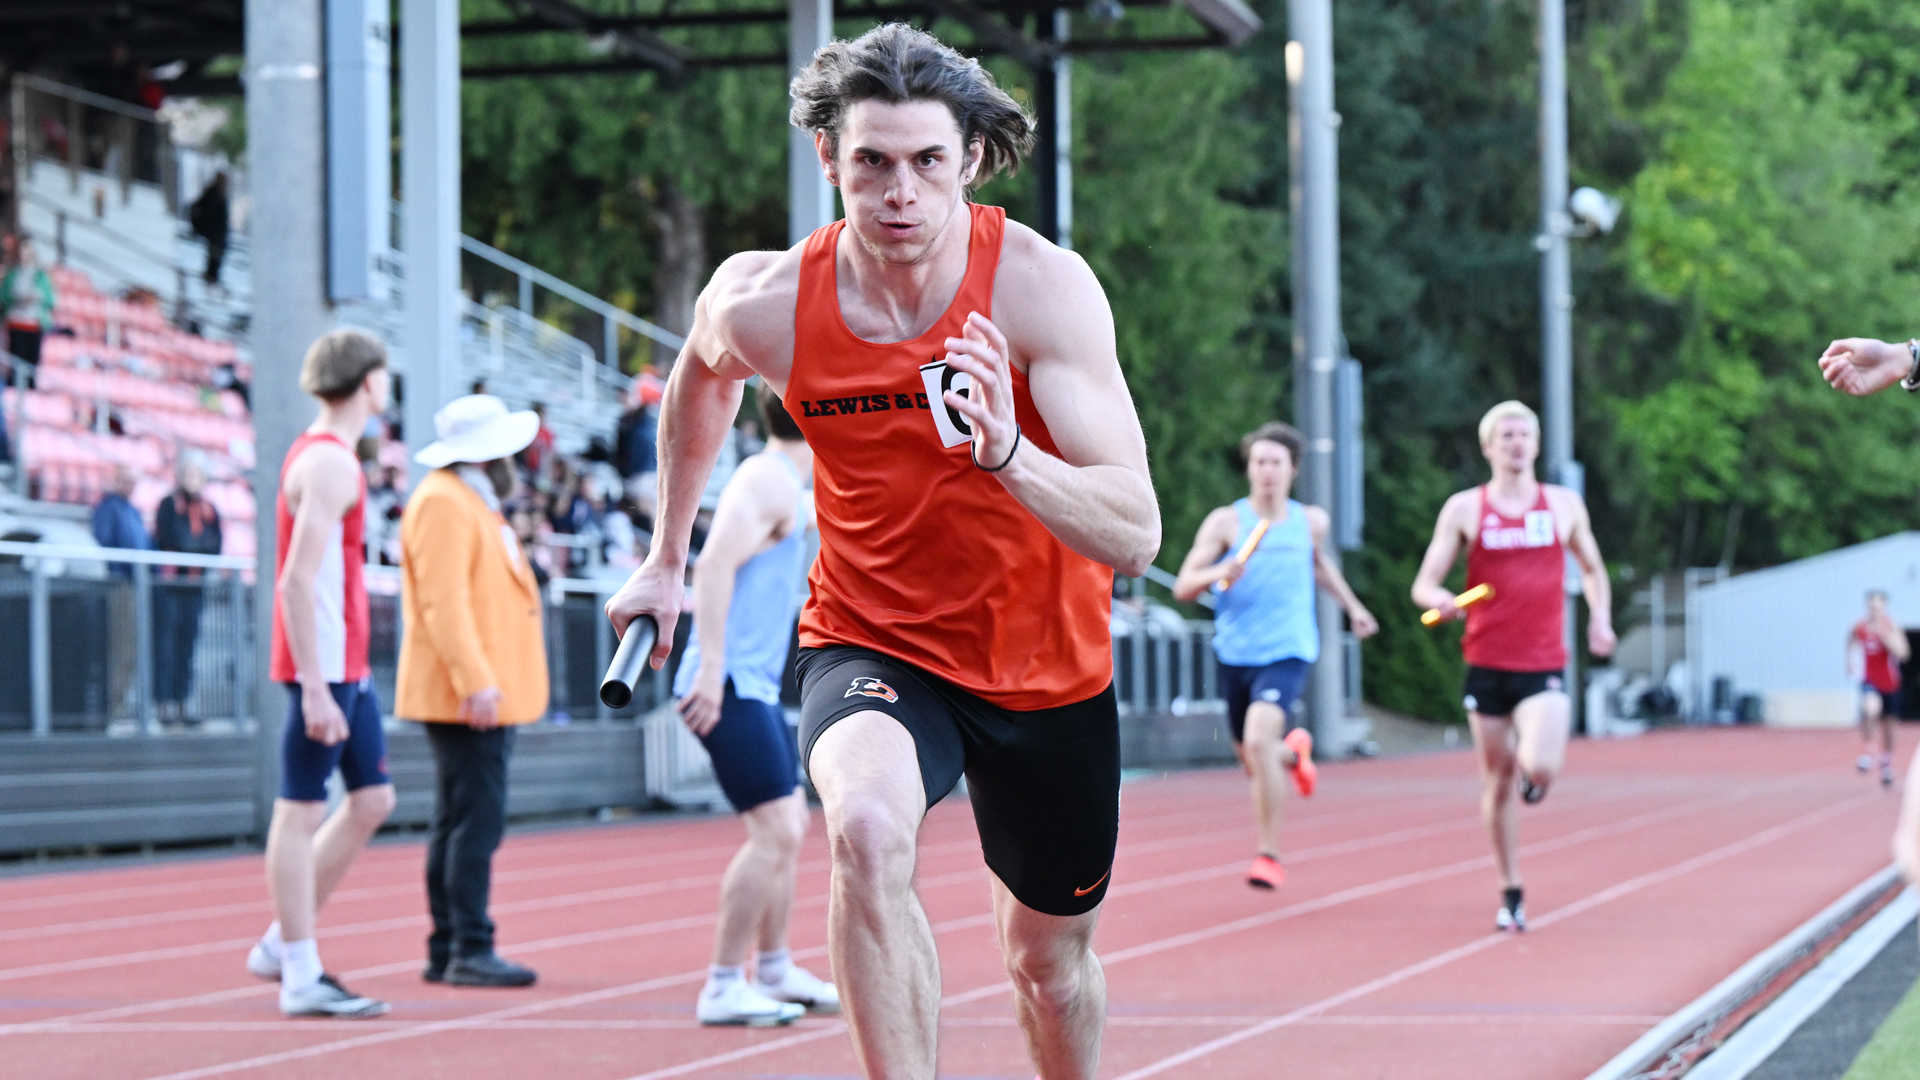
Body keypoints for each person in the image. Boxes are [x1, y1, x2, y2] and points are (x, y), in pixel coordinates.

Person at [605, 25, 1159, 1078]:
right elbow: (700, 381)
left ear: (970, 164)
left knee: (1047, 968)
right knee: (862, 828)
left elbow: (1135, 530)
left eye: (926, 163)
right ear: (830, 160)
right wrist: (667, 557)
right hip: (873, 639)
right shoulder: (767, 300)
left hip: (1046, 672)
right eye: (872, 162)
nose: (897, 191)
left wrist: (1006, 453)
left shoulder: (1040, 290)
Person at [1410, 400, 1615, 933]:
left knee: (1539, 764)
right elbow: (1424, 584)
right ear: (1488, 447)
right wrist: (1443, 599)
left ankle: (1536, 777)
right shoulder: (1465, 509)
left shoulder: (1563, 506)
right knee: (1496, 783)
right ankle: (1511, 888)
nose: (1516, 443)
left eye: (1525, 434)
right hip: (1486, 662)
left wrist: (1600, 619)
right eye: (1506, 435)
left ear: (1537, 445)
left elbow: (1593, 568)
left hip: (1543, 661)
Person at [245, 328, 397, 1018]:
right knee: (300, 808)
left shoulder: (332, 459)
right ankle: (300, 973)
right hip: (324, 665)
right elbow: (293, 583)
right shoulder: (332, 465)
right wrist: (312, 686)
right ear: (368, 382)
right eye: (385, 376)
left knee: (372, 802)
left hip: (346, 661)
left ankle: (284, 941)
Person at [673, 393, 838, 1026]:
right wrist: (711, 669)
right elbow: (712, 563)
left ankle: (773, 967)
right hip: (729, 682)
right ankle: (721, 983)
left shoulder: (785, 483)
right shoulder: (768, 480)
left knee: (790, 823)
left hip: (753, 684)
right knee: (778, 830)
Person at [1171, 422, 1378, 889]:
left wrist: (1354, 608)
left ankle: (1268, 855)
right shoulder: (1227, 522)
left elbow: (1319, 564)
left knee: (1258, 742)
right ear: (1249, 468)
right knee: (1254, 757)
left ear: (1293, 470)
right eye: (1259, 462)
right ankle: (1294, 754)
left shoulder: (1310, 522)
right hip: (1236, 652)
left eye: (1275, 463)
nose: (1266, 471)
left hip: (1288, 648)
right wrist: (1220, 569)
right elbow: (1185, 585)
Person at [396, 394, 549, 989]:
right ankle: (468, 944)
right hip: (468, 696)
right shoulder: (444, 503)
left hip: (474, 692)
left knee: (460, 817)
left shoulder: (466, 502)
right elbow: (444, 603)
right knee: (474, 821)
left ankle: (450, 944)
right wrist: (477, 681)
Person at [153, 452, 222, 725]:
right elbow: (170, 537)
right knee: (166, 647)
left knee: (187, 647)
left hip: (195, 588)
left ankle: (182, 702)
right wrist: (196, 546)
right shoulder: (169, 505)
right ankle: (164, 705)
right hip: (171, 587)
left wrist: (195, 546)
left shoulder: (209, 509)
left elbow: (214, 544)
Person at [92, 466, 152, 719]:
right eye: (124, 480)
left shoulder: (132, 511)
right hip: (119, 585)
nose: (129, 486)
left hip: (135, 585)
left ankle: (120, 702)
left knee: (131, 649)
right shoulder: (108, 508)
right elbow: (104, 542)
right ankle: (113, 706)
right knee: (120, 647)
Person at [1849, 590, 1908, 789]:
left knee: (1889, 728)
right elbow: (1850, 641)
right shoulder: (1860, 627)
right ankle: (1868, 751)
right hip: (1870, 680)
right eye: (1871, 606)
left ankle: (1886, 763)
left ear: (1884, 607)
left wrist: (1886, 639)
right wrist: (1849, 661)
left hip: (1890, 683)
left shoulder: (1890, 627)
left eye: (1878, 606)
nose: (1874, 609)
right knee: (1869, 709)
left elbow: (1904, 654)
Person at [2, 236, 54, 370]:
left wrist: (37, 297)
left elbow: (51, 299)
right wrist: (18, 299)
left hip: (34, 323)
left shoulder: (41, 276)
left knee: (32, 362)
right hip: (16, 322)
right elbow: (3, 297)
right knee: (16, 362)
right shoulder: (12, 275)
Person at [189, 172, 230, 288]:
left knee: (217, 255)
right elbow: (196, 207)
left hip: (218, 233)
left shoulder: (218, 193)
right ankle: (211, 279)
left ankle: (212, 279)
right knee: (215, 255)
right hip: (214, 233)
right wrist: (198, 226)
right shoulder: (213, 193)